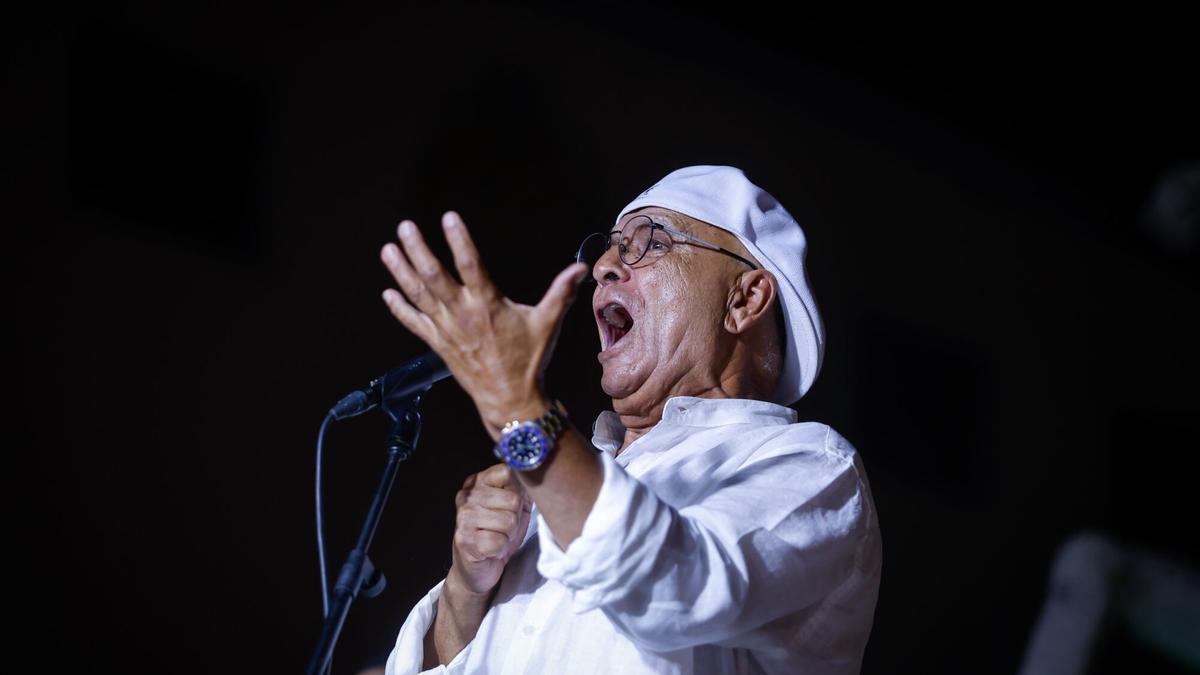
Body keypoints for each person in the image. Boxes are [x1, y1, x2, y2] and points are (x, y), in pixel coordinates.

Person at [377, 166, 882, 674]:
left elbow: (678, 590)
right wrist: (466, 589)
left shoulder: (810, 466)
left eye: (651, 243)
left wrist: (519, 410)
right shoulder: (564, 477)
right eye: (611, 246)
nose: (604, 266)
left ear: (744, 299)